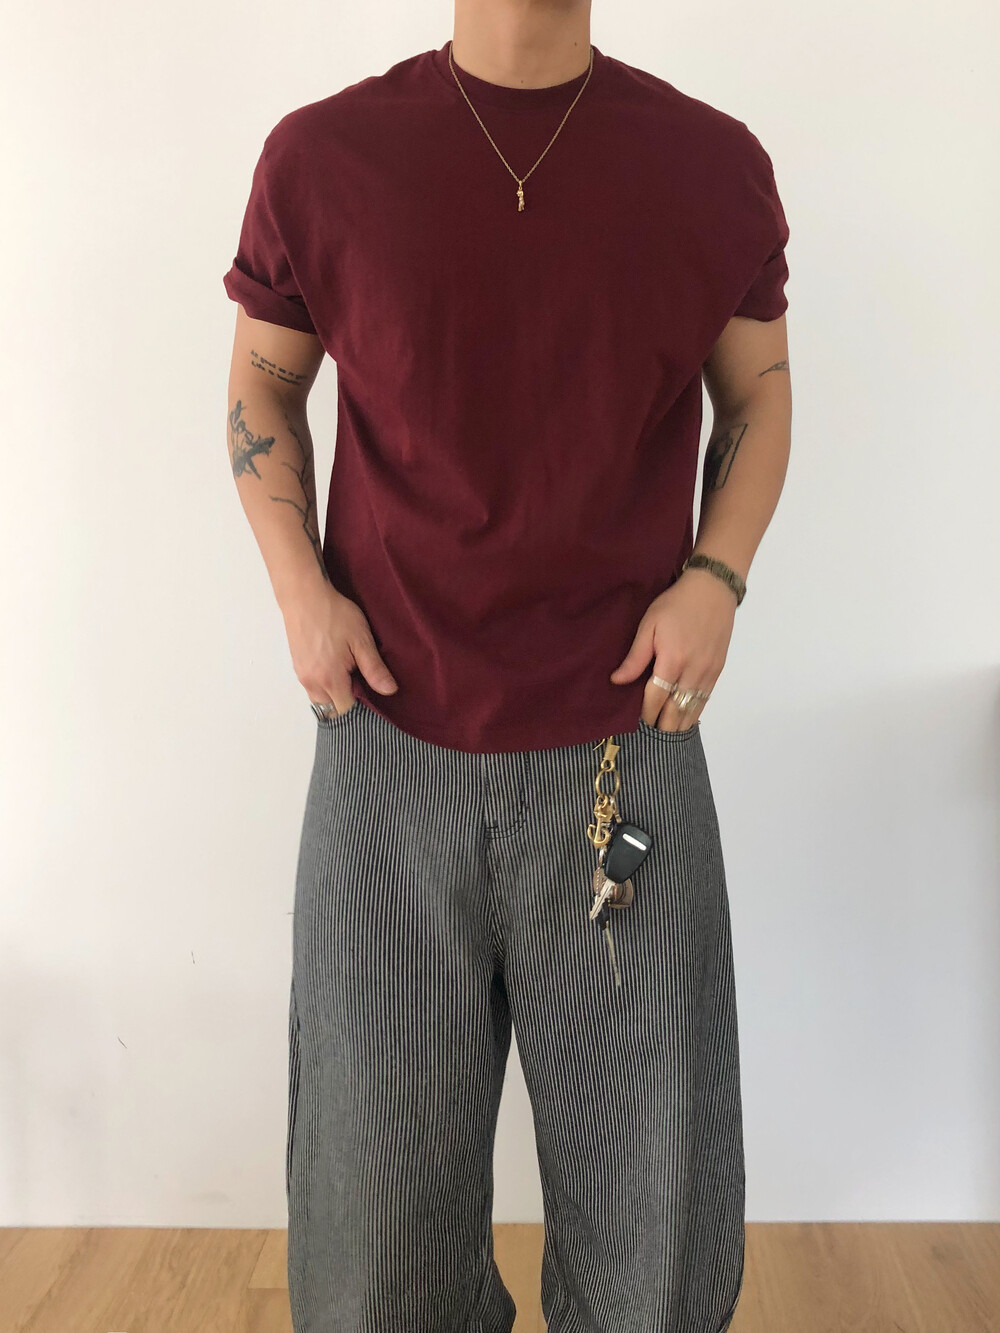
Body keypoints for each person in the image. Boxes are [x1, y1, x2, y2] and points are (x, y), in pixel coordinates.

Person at [222, 1, 791, 1329]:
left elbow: (759, 393)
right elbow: (262, 384)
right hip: (386, 744)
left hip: (625, 750)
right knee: (372, 1232)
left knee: (650, 1212)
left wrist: (716, 579)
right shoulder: (322, 159)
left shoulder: (709, 166)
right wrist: (300, 590)